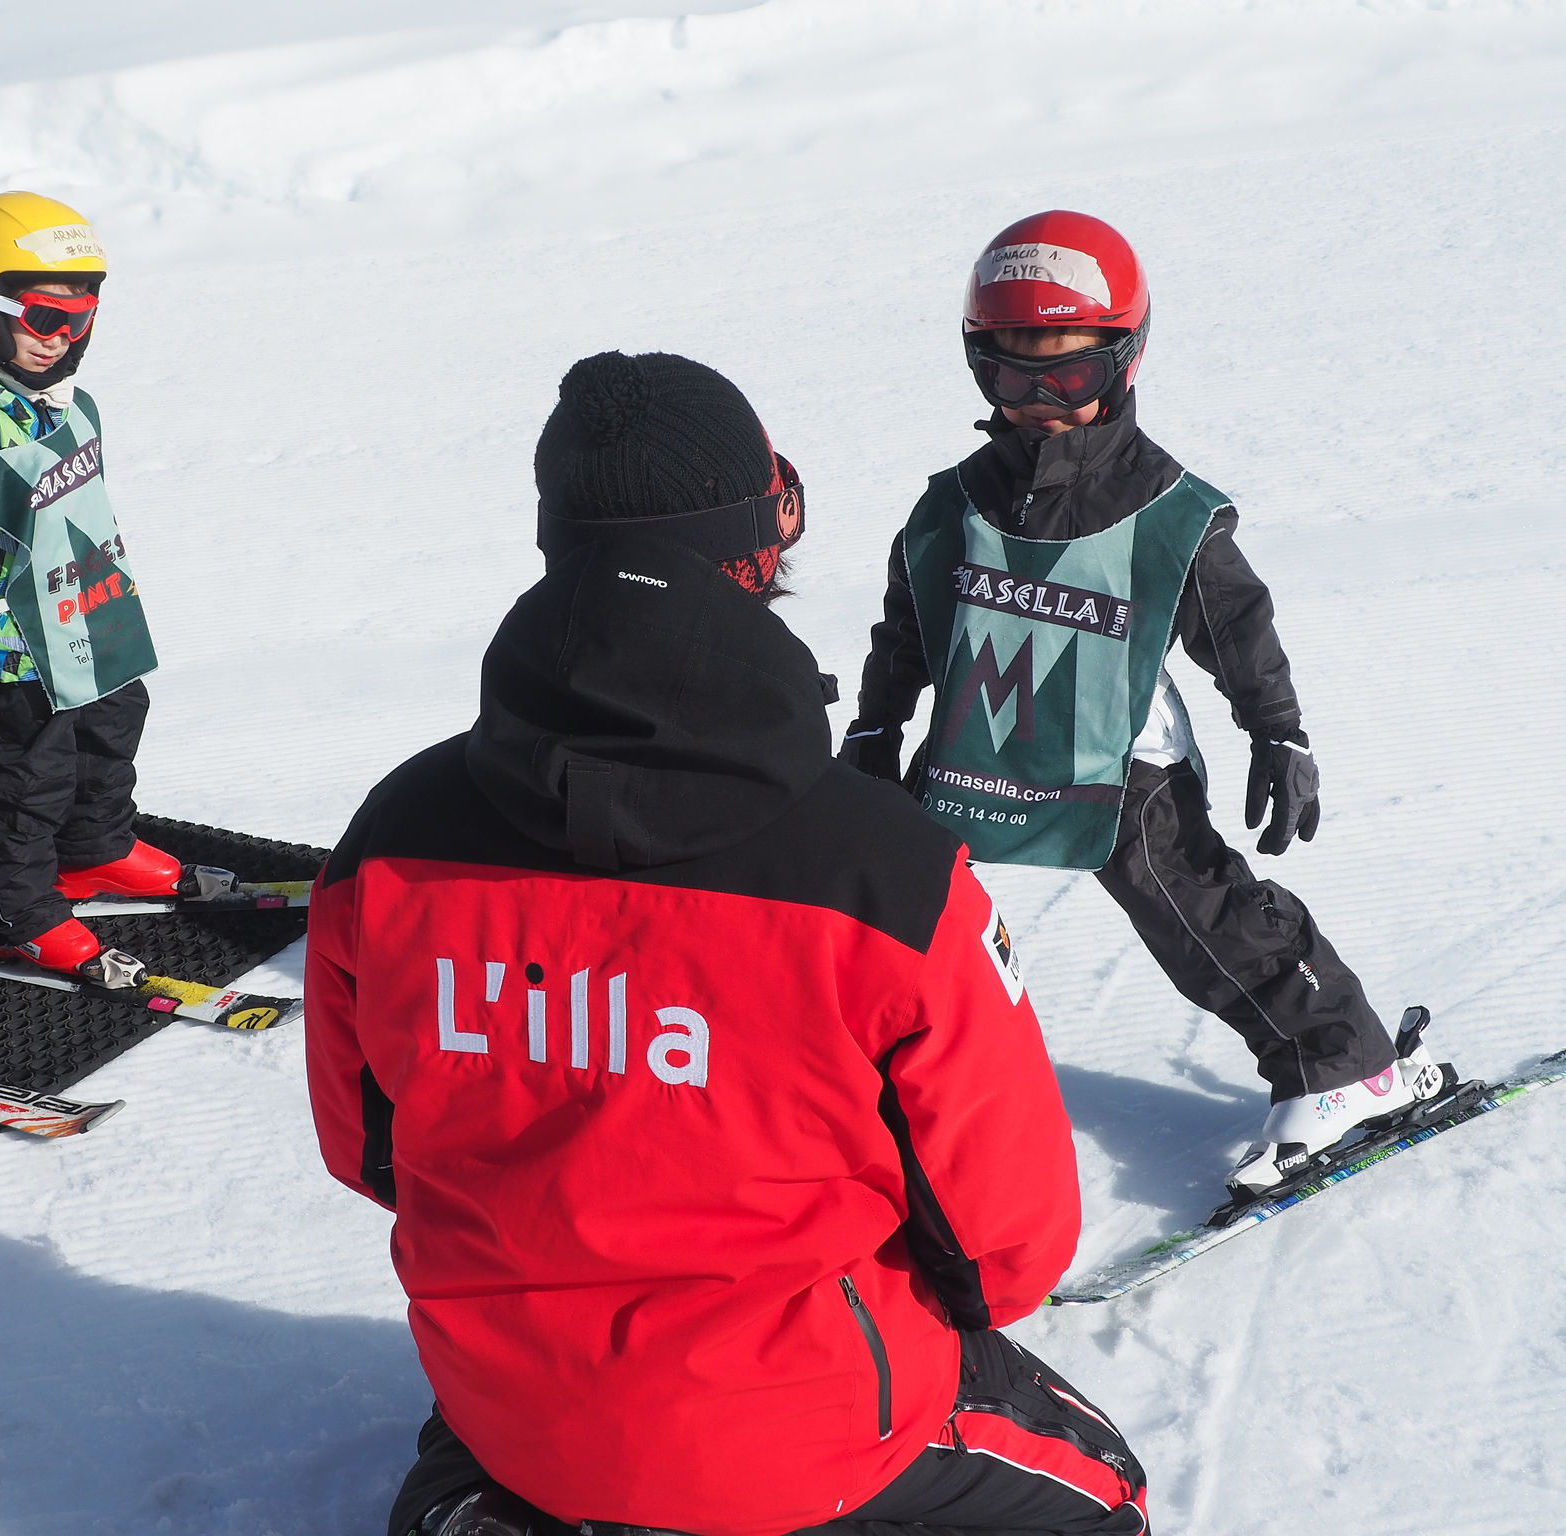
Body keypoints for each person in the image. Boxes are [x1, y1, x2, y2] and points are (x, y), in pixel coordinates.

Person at [305, 351, 1149, 1536]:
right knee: (1105, 1495)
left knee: (527, 1439)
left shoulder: (391, 838)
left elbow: (370, 1156)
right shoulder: (884, 872)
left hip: (515, 1406)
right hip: (802, 1431)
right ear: (761, 542)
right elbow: (1002, 1249)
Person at [839, 209, 1446, 1198]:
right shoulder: (951, 503)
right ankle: (863, 1072)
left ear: (1123, 359)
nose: (1039, 402)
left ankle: (1342, 1060)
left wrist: (1277, 732)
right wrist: (875, 725)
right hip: (975, 750)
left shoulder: (1165, 509)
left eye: (1068, 373)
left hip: (1116, 758)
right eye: (1009, 376)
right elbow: (908, 623)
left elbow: (1235, 625)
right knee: (896, 897)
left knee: (1193, 911)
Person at [0, 191, 219, 986]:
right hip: (12, 640)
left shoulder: (61, 398)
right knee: (31, 773)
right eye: (42, 317)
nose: (62, 338)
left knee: (114, 720)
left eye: (80, 317)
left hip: (86, 613)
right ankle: (9, 915)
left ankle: (93, 847)